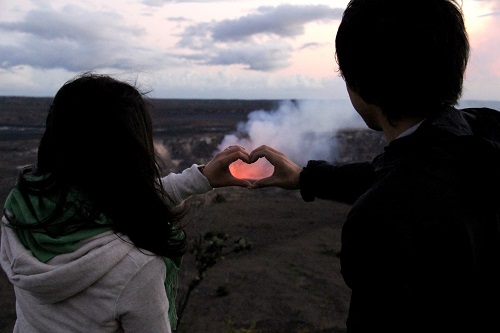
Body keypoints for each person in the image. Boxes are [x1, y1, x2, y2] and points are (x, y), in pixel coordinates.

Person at [249, 0, 500, 332]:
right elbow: (403, 174)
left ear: (361, 84)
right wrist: (305, 177)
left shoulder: (380, 221)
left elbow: (401, 189)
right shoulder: (482, 132)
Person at [0, 73, 251, 333]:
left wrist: (198, 178)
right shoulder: (136, 269)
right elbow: (121, 198)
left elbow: (108, 199)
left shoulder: (21, 213)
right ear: (130, 154)